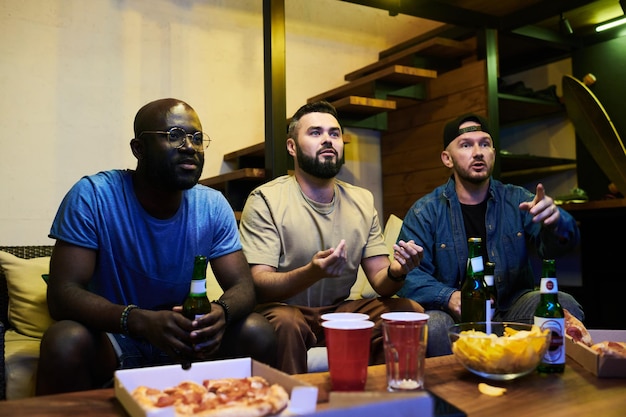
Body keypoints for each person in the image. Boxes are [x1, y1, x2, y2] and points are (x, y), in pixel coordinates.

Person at [36, 98, 277, 395]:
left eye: (197, 138)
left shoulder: (212, 205)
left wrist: (221, 312)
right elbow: (62, 295)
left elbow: (243, 286)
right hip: (113, 338)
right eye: (174, 135)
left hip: (184, 340)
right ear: (138, 149)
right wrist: (138, 320)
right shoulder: (93, 196)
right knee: (64, 340)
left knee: (257, 331)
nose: (190, 146)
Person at [238, 100, 425, 374]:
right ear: (292, 147)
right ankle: (295, 406)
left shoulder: (361, 200)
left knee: (408, 311)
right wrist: (312, 272)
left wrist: (397, 271)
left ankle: (384, 402)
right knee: (287, 322)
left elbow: (381, 281)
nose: (327, 140)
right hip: (282, 311)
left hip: (338, 313)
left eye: (334, 133)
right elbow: (259, 285)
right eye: (315, 133)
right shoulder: (266, 199)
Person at [398, 113, 585, 357]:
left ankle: (548, 388)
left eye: (485, 144)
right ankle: (451, 394)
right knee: (432, 326)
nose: (478, 152)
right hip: (455, 314)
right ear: (447, 158)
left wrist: (557, 222)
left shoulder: (517, 200)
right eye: (466, 145)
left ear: (493, 154)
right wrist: (449, 296)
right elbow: (409, 277)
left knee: (562, 304)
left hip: (511, 306)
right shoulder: (426, 211)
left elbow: (556, 246)